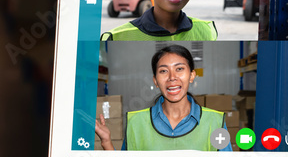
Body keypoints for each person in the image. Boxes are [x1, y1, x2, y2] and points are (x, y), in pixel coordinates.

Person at [95, 45, 231, 151]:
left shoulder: (216, 122)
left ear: (191, 75)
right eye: (163, 71)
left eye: (179, 69)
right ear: (155, 80)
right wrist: (106, 142)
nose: (172, 77)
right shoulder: (136, 123)